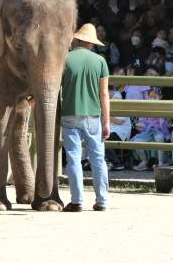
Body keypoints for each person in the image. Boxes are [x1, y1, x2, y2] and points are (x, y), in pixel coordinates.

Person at [61, 23, 110, 212]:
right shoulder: (100, 61)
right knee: (98, 159)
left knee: (73, 158)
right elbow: (104, 94)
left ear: (77, 39)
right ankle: (102, 201)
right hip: (93, 116)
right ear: (91, 43)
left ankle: (77, 200)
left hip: (69, 113)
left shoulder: (65, 59)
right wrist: (106, 121)